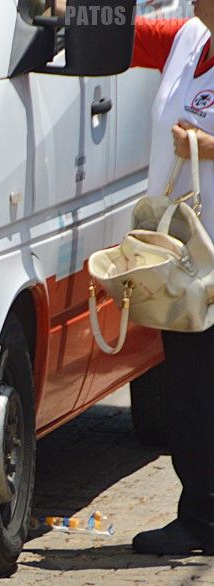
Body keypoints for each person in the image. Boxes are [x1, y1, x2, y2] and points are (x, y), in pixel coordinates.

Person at [119, 0, 214, 555]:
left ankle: (202, 520)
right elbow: (118, 36)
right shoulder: (186, 38)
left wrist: (203, 146)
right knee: (190, 385)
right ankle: (200, 510)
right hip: (186, 252)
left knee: (200, 387)